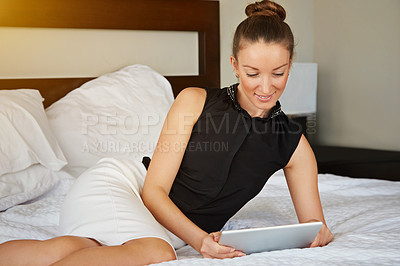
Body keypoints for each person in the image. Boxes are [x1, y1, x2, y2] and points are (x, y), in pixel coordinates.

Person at [0, 0, 333, 265]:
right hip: (125, 188)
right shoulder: (194, 101)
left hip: (166, 227)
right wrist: (200, 240)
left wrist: (320, 236)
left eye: (278, 73)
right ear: (234, 65)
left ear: (290, 65)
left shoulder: (295, 147)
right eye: (252, 72)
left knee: (75, 248)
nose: (265, 86)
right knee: (156, 252)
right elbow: (153, 190)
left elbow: (315, 230)